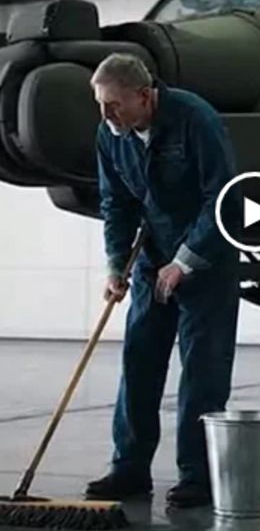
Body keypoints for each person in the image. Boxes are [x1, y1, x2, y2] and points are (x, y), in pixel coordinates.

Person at [85, 53, 241, 508]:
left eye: (114, 104)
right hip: (152, 259)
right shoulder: (110, 134)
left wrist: (185, 261)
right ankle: (129, 470)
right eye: (100, 105)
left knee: (202, 370)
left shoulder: (195, 120)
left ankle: (198, 476)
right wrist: (117, 265)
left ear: (145, 96)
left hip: (207, 259)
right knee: (139, 361)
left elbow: (224, 198)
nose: (106, 114)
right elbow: (116, 203)